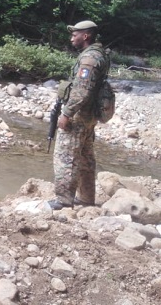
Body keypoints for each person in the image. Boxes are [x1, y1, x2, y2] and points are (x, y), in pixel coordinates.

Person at [49, 20, 110, 210]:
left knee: (66, 156)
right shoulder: (99, 54)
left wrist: (66, 113)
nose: (71, 38)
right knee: (85, 157)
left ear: (86, 36)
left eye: (75, 35)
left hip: (79, 116)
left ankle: (64, 200)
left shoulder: (89, 59)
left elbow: (82, 91)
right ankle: (86, 198)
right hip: (89, 116)